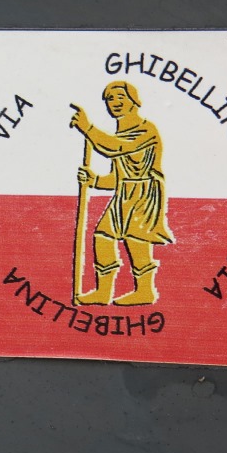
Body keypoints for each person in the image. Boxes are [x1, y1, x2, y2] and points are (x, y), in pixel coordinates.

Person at [69, 80, 174, 306]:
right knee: (103, 236)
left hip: (145, 193)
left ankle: (145, 291)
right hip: (124, 193)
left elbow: (116, 147)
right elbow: (117, 178)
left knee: (136, 240)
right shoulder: (119, 133)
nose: (115, 102)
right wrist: (94, 180)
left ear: (134, 100)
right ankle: (103, 292)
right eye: (110, 99)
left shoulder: (146, 130)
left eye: (120, 97)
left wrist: (88, 128)